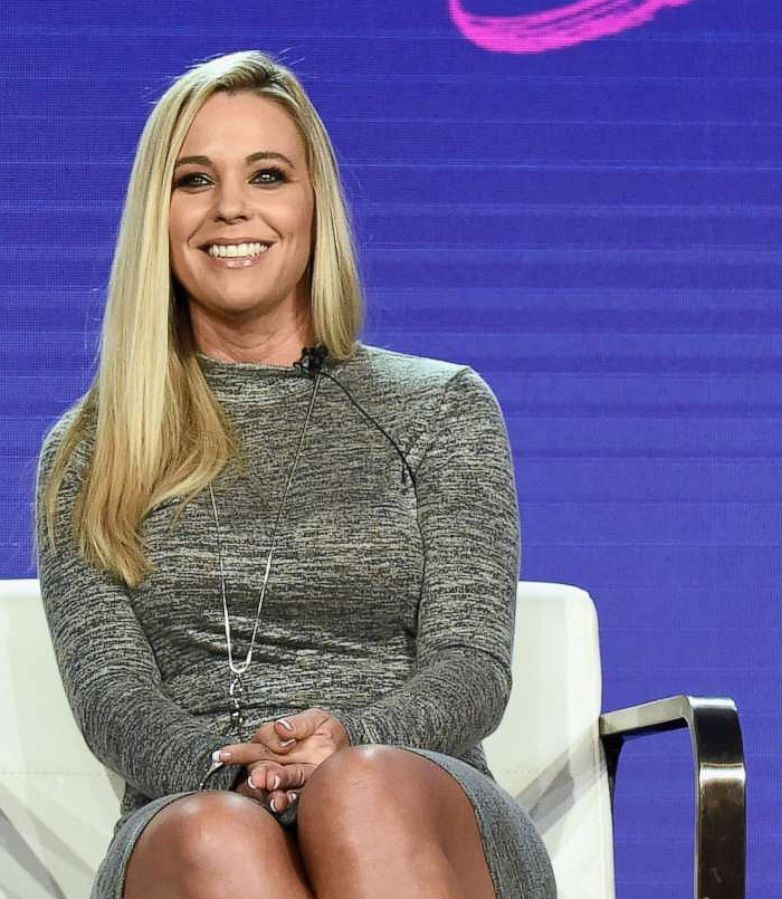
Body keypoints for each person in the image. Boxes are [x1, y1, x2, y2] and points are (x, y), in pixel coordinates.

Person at [34, 51, 556, 899]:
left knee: (362, 787)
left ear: (315, 205)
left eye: (267, 174)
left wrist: (351, 737)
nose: (231, 206)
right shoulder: (95, 446)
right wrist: (229, 772)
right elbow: (110, 693)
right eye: (194, 179)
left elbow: (472, 664)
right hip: (192, 807)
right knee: (218, 833)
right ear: (156, 217)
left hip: (415, 799)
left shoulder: (441, 409)